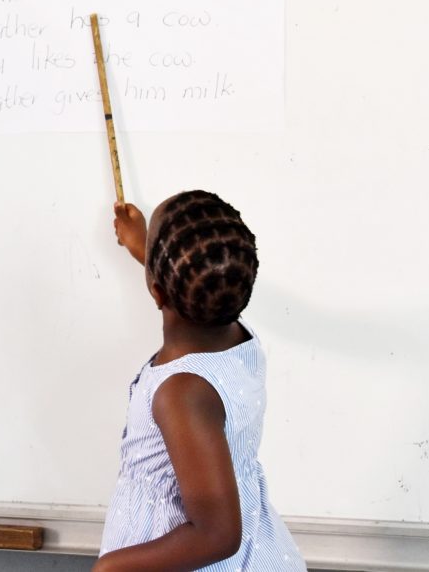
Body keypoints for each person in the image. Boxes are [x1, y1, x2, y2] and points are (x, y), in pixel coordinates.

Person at [94, 191, 305, 571]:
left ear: (157, 290)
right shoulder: (235, 333)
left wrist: (111, 567)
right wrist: (144, 249)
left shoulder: (182, 393)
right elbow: (189, 286)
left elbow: (217, 534)